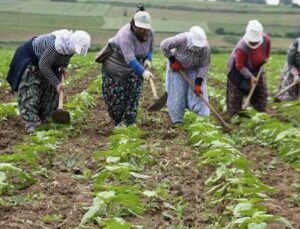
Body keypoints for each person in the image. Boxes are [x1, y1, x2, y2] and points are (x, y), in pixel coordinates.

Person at [7, 29, 91, 133]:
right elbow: (44, 66)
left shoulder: (69, 47)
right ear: (73, 42)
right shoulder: (55, 45)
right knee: (30, 91)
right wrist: (57, 83)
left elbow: (65, 57)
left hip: (47, 64)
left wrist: (63, 68)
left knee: (50, 92)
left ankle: (46, 119)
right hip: (31, 61)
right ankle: (30, 122)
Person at [100, 6, 154, 127]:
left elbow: (151, 48)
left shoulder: (150, 33)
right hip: (116, 68)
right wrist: (143, 72)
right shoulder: (126, 35)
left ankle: (130, 122)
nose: (143, 31)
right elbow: (130, 59)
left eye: (145, 29)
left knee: (133, 96)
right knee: (116, 99)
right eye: (140, 28)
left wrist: (148, 59)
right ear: (133, 24)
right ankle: (118, 121)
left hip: (135, 68)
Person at [160, 26, 210, 125]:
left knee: (199, 95)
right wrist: (173, 61)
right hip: (177, 69)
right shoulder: (181, 39)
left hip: (194, 70)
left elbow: (204, 65)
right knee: (177, 94)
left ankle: (202, 121)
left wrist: (198, 83)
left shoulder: (205, 48)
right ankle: (177, 121)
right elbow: (164, 45)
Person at [226, 19, 271, 118]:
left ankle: (259, 117)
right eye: (252, 42)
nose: (253, 44)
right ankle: (235, 119)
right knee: (236, 97)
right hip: (238, 71)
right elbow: (239, 66)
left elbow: (267, 52)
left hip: (256, 68)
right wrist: (250, 77)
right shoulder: (241, 48)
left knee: (260, 94)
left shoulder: (266, 39)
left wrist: (265, 58)